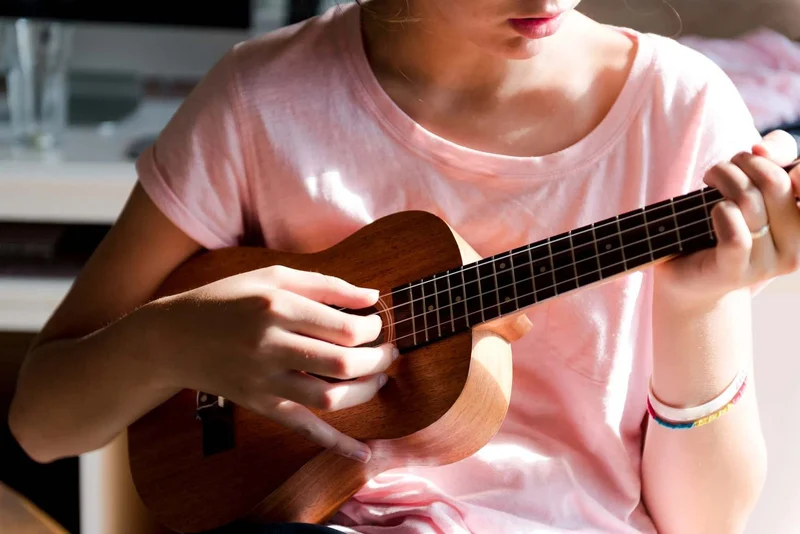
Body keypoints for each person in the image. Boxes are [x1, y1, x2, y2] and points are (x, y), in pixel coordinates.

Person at [8, 1, 800, 533]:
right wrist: (177, 341)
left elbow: (706, 522)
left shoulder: (684, 111)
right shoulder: (260, 104)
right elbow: (41, 424)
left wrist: (693, 313)